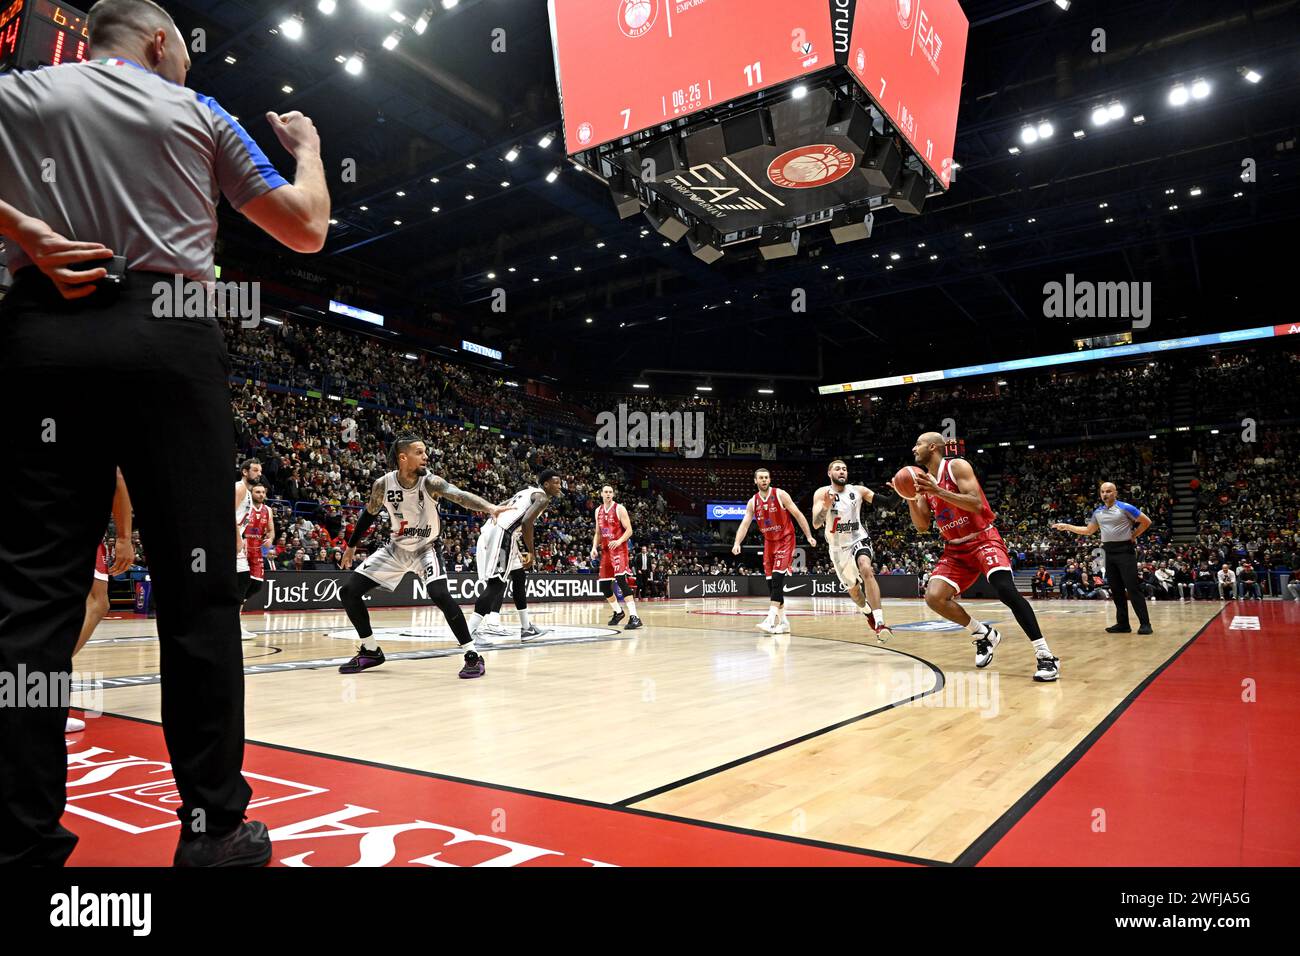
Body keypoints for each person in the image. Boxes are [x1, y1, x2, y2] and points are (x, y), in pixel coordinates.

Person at [0, 0, 329, 867]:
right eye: (182, 51)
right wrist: (311, 150)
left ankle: (20, 841)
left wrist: (23, 229)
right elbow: (306, 226)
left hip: (40, 329)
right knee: (198, 598)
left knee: (31, 600)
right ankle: (214, 828)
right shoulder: (199, 111)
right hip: (169, 331)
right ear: (158, 42)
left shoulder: (23, 88)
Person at [338, 436, 505, 678]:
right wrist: (351, 546)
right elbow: (369, 514)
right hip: (396, 548)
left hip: (426, 548)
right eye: (420, 452)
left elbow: (458, 494)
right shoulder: (382, 485)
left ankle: (472, 655)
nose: (426, 456)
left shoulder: (430, 482)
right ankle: (371, 650)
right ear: (403, 457)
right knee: (348, 591)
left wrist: (489, 507)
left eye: (425, 451)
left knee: (439, 594)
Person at [898, 433, 1060, 682]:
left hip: (982, 538)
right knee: (934, 597)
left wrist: (938, 490)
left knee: (1005, 589)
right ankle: (983, 633)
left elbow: (975, 503)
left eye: (918, 443)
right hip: (955, 549)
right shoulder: (924, 483)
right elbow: (921, 526)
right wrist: (910, 497)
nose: (913, 448)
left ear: (932, 447)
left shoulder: (956, 466)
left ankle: (1045, 655)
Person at [67, 469, 136, 734]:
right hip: (75, 524)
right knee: (98, 603)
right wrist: (124, 537)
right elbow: (117, 477)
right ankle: (42, 687)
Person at [466, 472, 564, 643]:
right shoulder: (542, 498)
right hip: (503, 534)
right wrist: (531, 551)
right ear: (546, 484)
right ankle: (468, 632)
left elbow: (500, 506)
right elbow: (526, 522)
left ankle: (526, 628)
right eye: (556, 483)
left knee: (519, 577)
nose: (559, 486)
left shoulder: (525, 492)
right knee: (496, 585)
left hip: (501, 533)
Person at [1051, 482, 1154, 635]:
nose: (1105, 494)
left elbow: (1146, 522)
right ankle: (1123, 624)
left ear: (1115, 493)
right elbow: (1088, 531)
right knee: (1116, 590)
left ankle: (1145, 624)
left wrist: (1133, 536)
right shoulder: (1098, 512)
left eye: (1108, 491)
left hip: (1125, 550)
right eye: (1102, 492)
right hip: (1108, 551)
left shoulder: (1125, 507)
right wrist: (1067, 526)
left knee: (1132, 588)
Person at [732, 468, 817, 635]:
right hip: (769, 543)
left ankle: (770, 619)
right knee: (772, 585)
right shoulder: (753, 502)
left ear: (770, 479)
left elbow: (798, 515)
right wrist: (737, 542)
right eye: (761, 478)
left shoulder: (780, 494)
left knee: (778, 578)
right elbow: (745, 524)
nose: (764, 480)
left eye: (766, 477)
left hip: (786, 539)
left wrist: (808, 535)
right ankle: (784, 622)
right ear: (755, 481)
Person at [810, 461, 889, 639]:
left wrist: (901, 492)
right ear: (829, 473)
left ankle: (880, 621)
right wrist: (825, 506)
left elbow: (888, 504)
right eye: (837, 469)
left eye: (845, 469)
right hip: (838, 549)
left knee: (866, 567)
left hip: (858, 539)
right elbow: (816, 523)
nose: (842, 471)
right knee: (856, 594)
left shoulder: (858, 491)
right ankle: (867, 612)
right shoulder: (821, 493)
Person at [591, 485, 643, 630]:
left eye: (610, 492)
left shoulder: (619, 509)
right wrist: (594, 547)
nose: (608, 494)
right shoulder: (598, 511)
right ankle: (618, 612)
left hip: (619, 550)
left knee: (621, 580)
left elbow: (630, 530)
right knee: (604, 586)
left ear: (613, 494)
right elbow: (598, 533)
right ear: (601, 494)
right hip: (606, 551)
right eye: (605, 492)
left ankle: (635, 617)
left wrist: (619, 541)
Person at [237, 482, 274, 634]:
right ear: (251, 493)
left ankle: (235, 612)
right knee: (242, 583)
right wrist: (241, 537)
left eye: (263, 492)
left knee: (256, 585)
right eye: (257, 492)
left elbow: (271, 530)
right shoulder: (245, 506)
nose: (261, 495)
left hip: (258, 550)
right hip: (242, 548)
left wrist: (270, 539)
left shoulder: (268, 510)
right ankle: (236, 620)